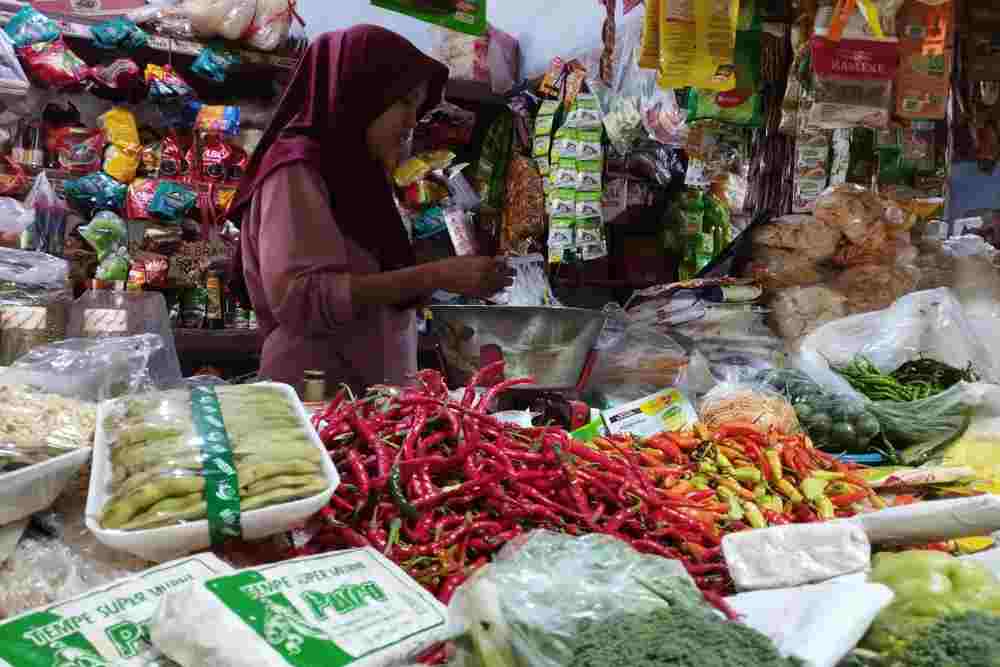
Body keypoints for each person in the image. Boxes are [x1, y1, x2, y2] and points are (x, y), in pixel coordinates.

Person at [231, 25, 513, 392]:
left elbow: (376, 282)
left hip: (371, 400)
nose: (413, 122)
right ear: (362, 91)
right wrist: (437, 275)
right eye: (405, 102)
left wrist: (453, 281)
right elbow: (303, 300)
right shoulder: (296, 169)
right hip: (319, 399)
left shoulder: (364, 176)